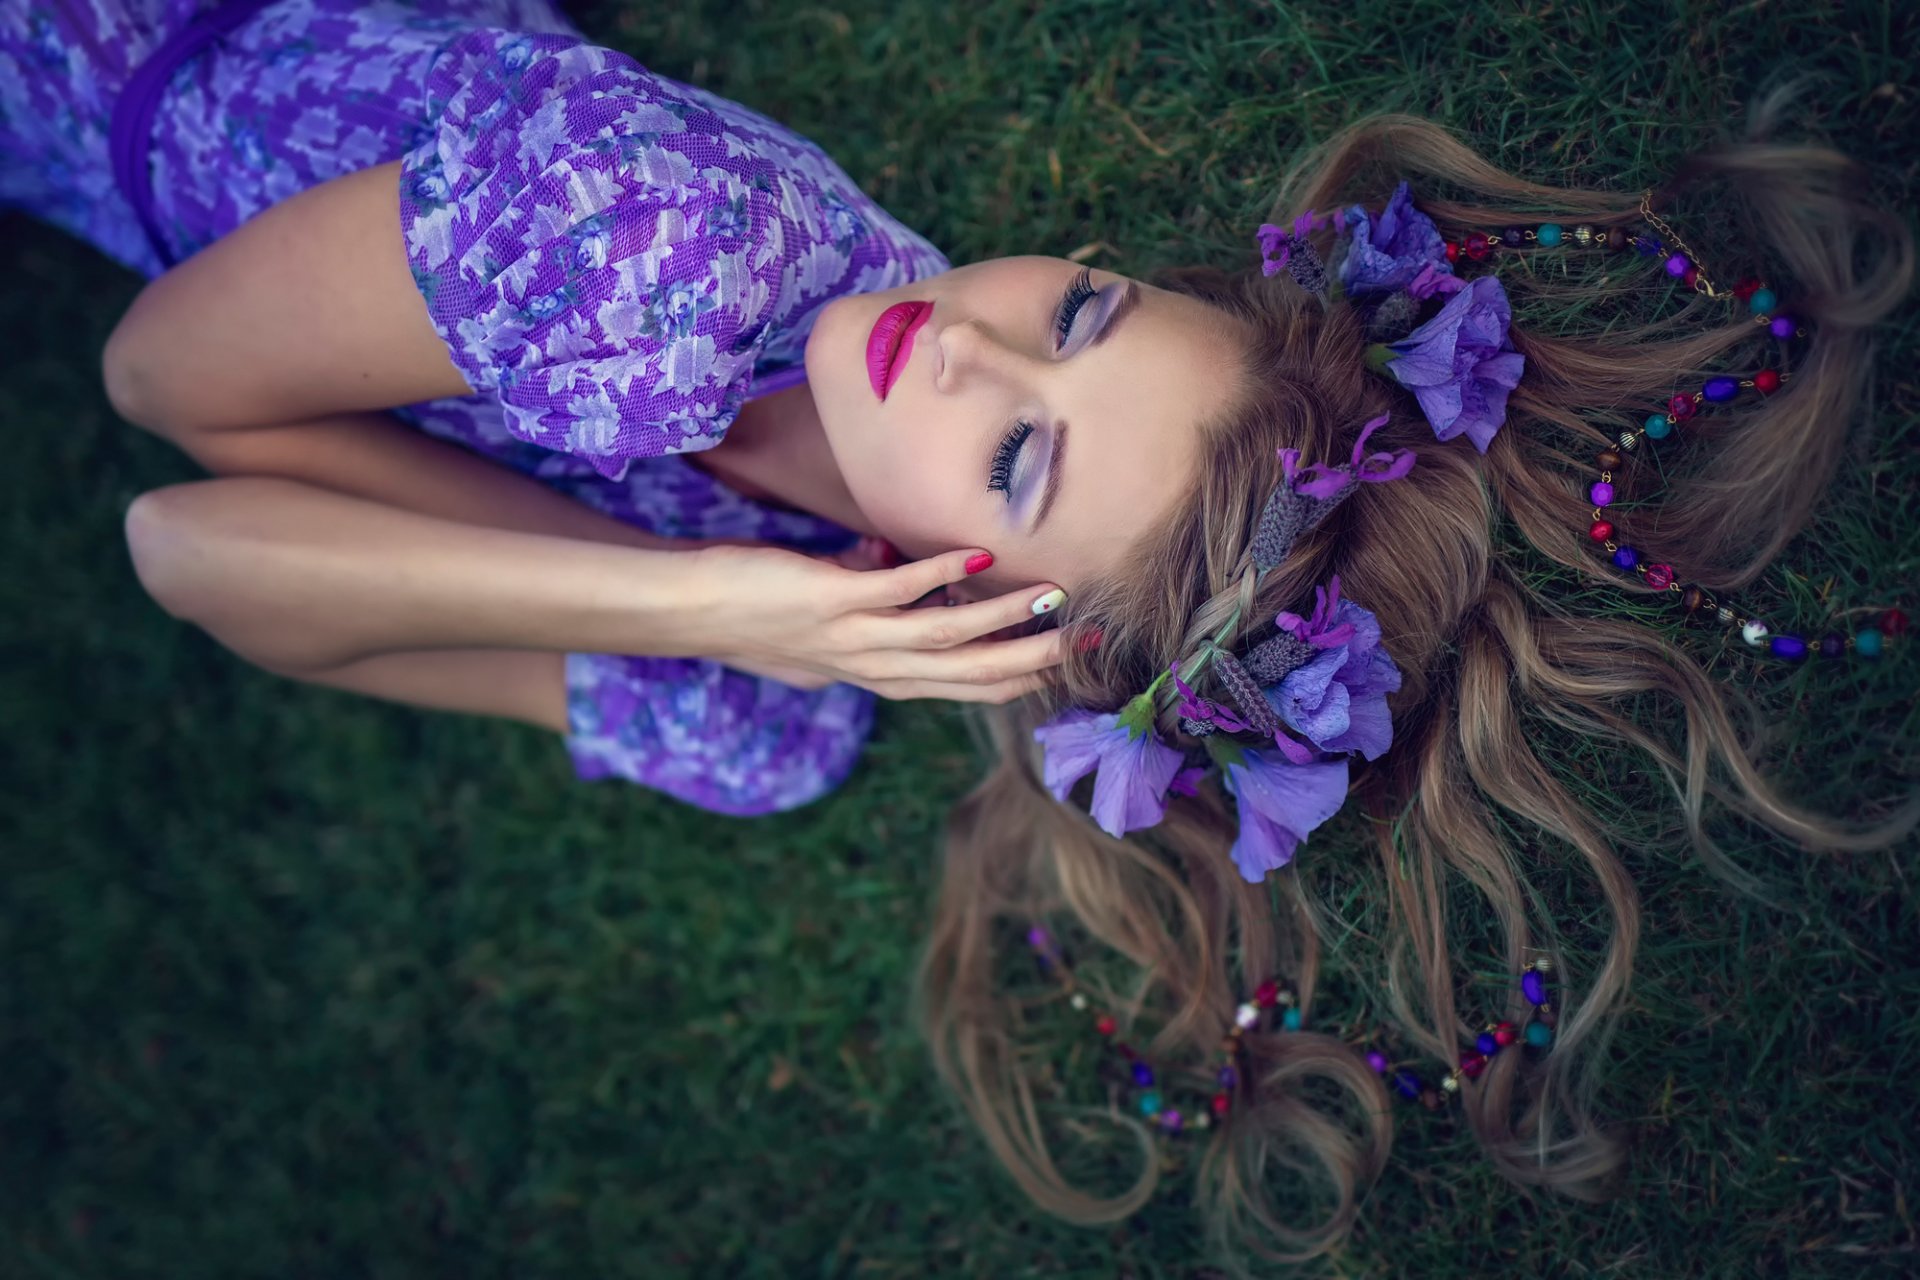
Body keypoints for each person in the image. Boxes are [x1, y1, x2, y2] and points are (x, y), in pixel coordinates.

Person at [3, 0, 1911, 1267]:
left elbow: (193, 549)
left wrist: (714, 612)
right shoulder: (665, 241)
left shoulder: (764, 717)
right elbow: (156, 383)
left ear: (988, 615)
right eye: (1081, 316)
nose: (963, 332)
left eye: (1012, 457)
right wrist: (703, 603)